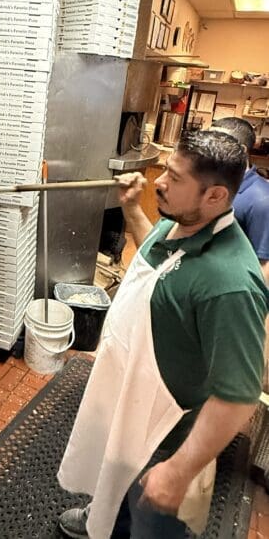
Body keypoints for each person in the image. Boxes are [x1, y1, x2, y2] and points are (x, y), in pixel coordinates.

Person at [58, 130, 268, 539]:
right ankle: (101, 519)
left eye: (174, 177)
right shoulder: (182, 222)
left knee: (148, 522)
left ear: (215, 197)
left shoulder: (231, 284)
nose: (159, 181)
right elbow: (155, 267)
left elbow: (239, 396)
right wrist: (133, 208)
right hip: (128, 397)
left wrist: (178, 470)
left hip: (163, 433)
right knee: (112, 474)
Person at [210, 116, 269, 284]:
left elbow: (265, 266)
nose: (206, 149)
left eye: (217, 143)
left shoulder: (262, 199)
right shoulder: (211, 184)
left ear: (242, 151)